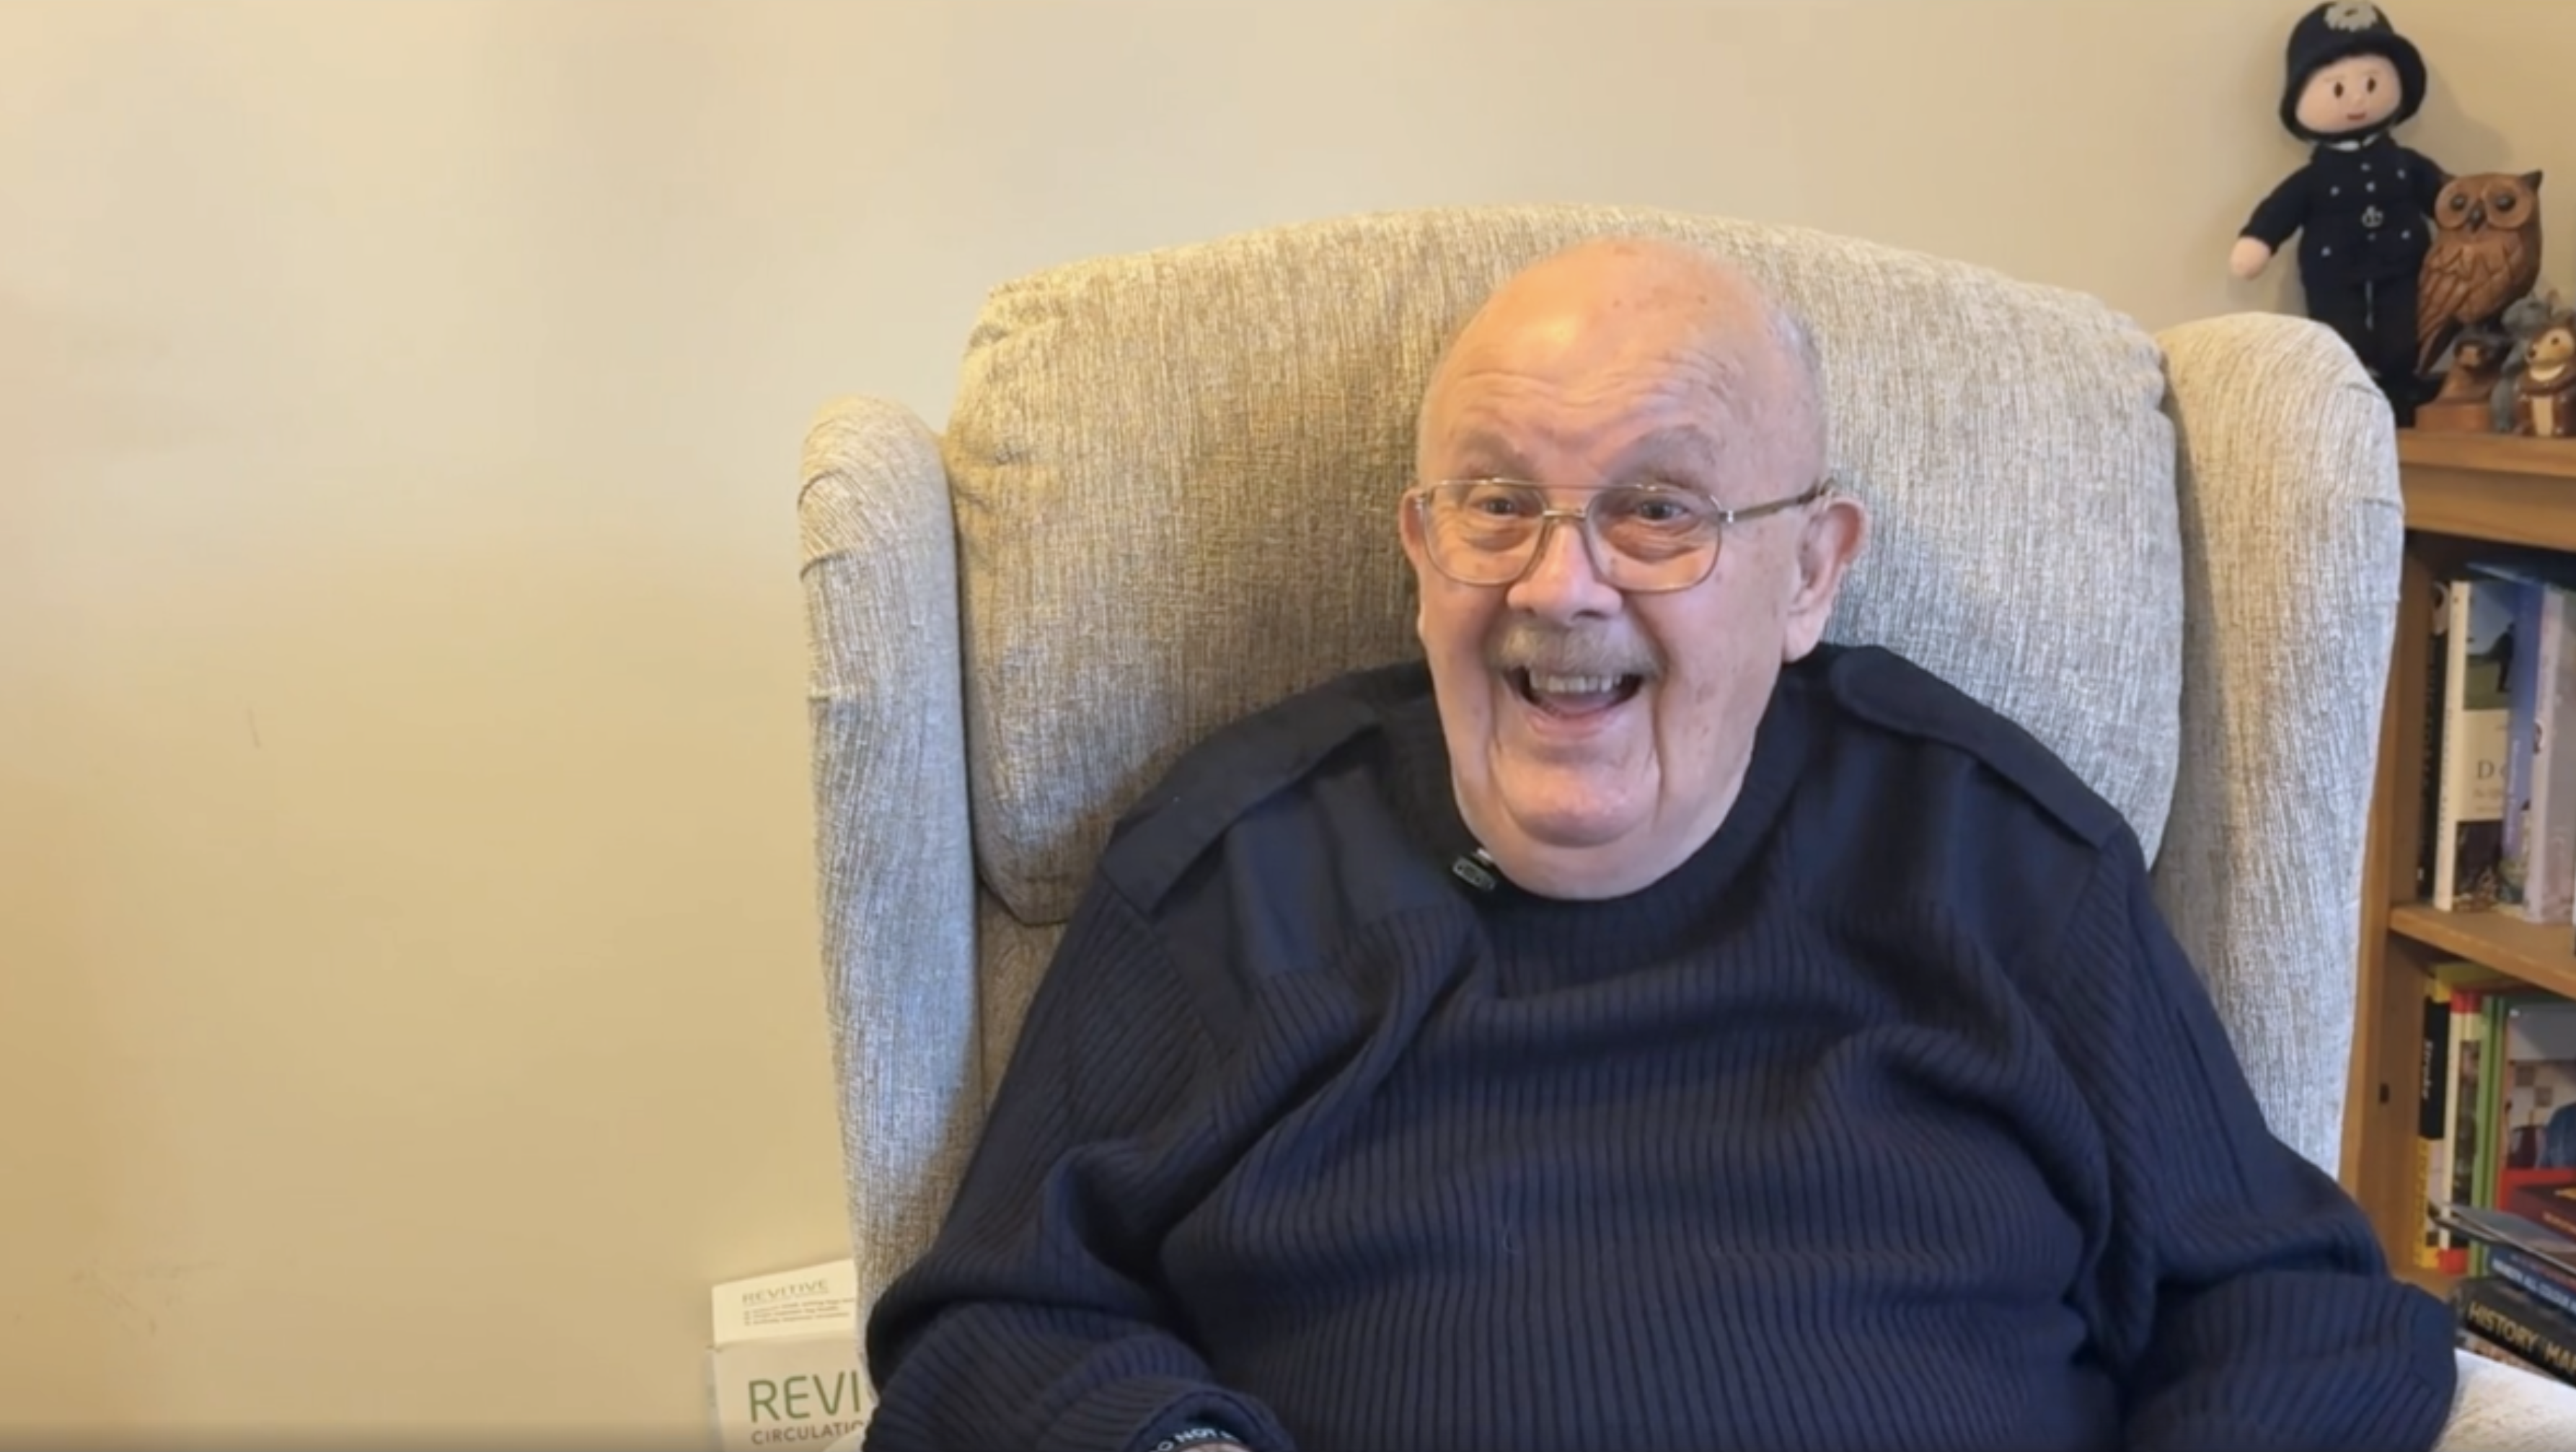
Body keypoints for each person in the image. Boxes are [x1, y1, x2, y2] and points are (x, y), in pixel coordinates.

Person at [857, 236, 2461, 1452]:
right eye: (1496, 503)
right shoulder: (1235, 874)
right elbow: (987, 1330)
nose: (1560, 586)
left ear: (1813, 570)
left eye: (1659, 510)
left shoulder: (1993, 857)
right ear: (1420, 548)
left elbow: (2294, 1305)